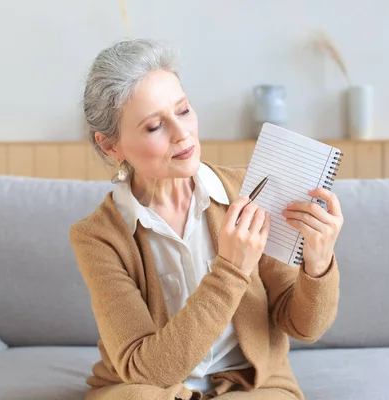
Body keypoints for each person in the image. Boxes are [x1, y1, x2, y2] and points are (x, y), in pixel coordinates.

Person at [69, 39, 343, 400]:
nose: (182, 133)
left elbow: (303, 327)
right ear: (110, 146)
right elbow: (147, 371)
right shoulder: (98, 237)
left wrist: (319, 263)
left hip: (251, 387)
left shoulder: (250, 193)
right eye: (154, 127)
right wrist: (231, 269)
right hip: (150, 389)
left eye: (183, 111)